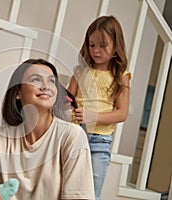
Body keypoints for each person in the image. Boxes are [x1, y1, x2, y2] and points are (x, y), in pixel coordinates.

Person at [0, 58, 95, 200]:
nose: (46, 86)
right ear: (18, 92)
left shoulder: (71, 135)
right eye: (36, 79)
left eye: (51, 81)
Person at [67, 16, 131, 200]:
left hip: (99, 143)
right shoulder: (80, 71)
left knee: (91, 193)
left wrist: (92, 116)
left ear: (116, 46)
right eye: (92, 45)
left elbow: (122, 113)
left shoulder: (121, 76)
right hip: (74, 136)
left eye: (103, 45)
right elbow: (69, 98)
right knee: (67, 186)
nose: (96, 50)